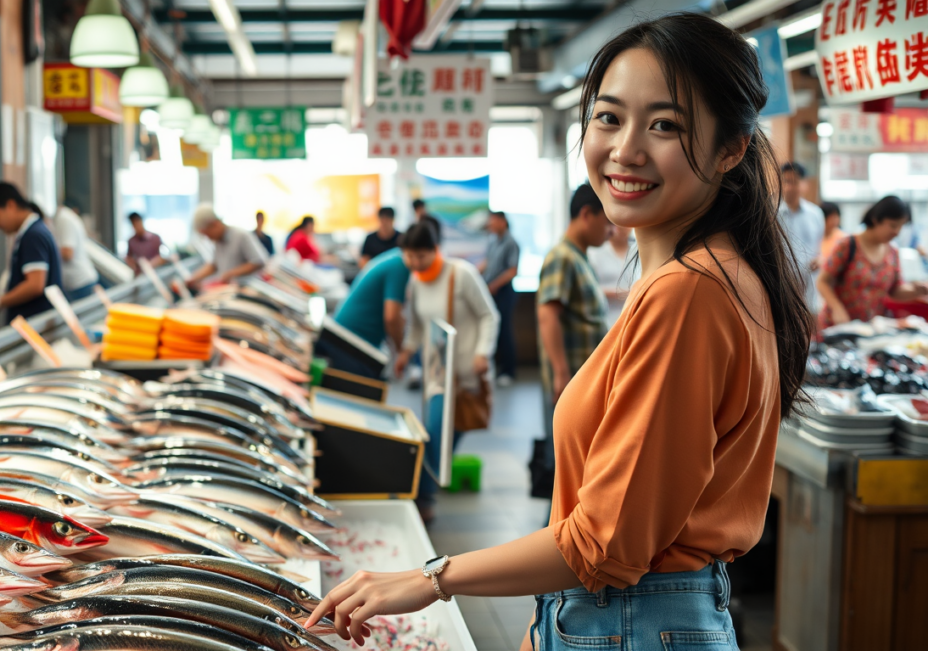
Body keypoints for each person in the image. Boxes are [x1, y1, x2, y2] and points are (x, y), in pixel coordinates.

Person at [305, 14, 812, 651]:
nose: (626, 149)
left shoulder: (690, 292)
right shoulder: (706, 274)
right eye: (608, 117)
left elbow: (605, 542)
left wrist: (433, 577)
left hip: (632, 623)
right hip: (628, 618)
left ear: (729, 149)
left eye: (664, 125)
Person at [392, 222, 499, 522]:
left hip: (466, 372)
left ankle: (425, 493)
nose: (414, 263)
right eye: (409, 257)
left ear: (435, 250)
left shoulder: (461, 274)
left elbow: (489, 315)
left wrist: (483, 352)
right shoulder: (415, 281)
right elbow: (416, 326)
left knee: (448, 435)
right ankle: (423, 499)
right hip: (437, 374)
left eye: (421, 256)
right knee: (435, 435)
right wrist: (405, 352)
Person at [538, 184, 613, 409]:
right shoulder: (562, 257)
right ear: (587, 214)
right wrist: (561, 372)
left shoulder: (579, 257)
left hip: (584, 381)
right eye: (608, 222)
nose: (612, 231)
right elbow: (547, 315)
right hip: (572, 383)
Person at [816, 196, 928, 330]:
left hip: (870, 329)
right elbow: (822, 282)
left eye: (901, 227)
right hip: (839, 328)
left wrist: (917, 290)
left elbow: (895, 290)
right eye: (893, 225)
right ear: (876, 220)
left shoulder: (892, 253)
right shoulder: (848, 245)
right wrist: (837, 308)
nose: (897, 232)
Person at [0, 182, 63, 322]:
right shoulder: (31, 231)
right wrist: (3, 291)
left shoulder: (33, 235)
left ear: (11, 205)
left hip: (36, 323)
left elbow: (35, 285)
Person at [322, 246, 412, 377]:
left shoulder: (393, 258)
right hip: (351, 340)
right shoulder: (400, 265)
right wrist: (401, 351)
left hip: (346, 335)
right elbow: (392, 317)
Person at [478, 210, 520, 386]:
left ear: (503, 222)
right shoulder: (493, 241)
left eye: (494, 221)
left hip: (503, 292)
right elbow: (487, 263)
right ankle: (498, 369)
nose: (491, 224)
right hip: (490, 291)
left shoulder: (511, 243)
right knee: (494, 329)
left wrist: (494, 285)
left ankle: (508, 372)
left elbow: (512, 271)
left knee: (504, 331)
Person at [187, 203, 267, 289]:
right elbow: (214, 265)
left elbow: (259, 261)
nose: (208, 238)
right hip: (229, 291)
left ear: (215, 224)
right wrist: (193, 278)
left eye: (207, 234)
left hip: (247, 290)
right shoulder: (218, 241)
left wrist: (231, 273)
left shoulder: (240, 235)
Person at [779, 161, 825, 313]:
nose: (790, 187)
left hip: (809, 284)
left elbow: (820, 247)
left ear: (805, 184)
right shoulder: (771, 215)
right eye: (787, 181)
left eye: (795, 182)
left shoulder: (816, 214)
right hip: (781, 284)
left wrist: (820, 259)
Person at [587, 225, 638, 327]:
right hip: (605, 320)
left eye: (626, 224)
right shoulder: (595, 252)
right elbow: (588, 290)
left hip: (633, 319)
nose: (622, 228)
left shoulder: (638, 250)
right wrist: (624, 293)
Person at [51, 203, 99, 301]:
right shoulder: (68, 217)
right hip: (80, 282)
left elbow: (68, 253)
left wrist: (49, 252)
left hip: (79, 283)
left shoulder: (64, 218)